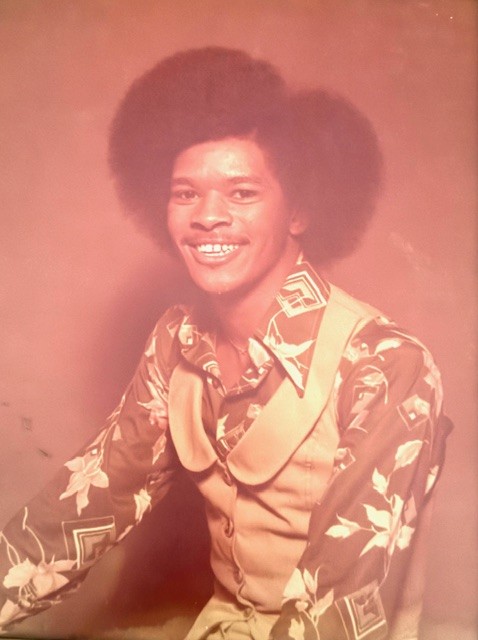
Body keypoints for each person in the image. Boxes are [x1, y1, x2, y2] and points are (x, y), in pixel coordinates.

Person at [0, 47, 450, 640]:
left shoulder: (387, 366)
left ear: (299, 211)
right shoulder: (175, 341)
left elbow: (341, 612)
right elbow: (84, 507)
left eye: (242, 193)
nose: (207, 217)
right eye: (185, 193)